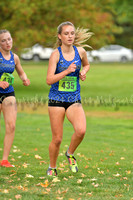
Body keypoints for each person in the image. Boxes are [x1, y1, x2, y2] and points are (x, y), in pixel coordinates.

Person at [46, 21, 93, 176]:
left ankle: (70, 153)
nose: (70, 36)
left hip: (74, 98)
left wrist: (83, 72)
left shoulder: (80, 52)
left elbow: (86, 65)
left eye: (72, 33)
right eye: (66, 33)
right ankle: (52, 167)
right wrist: (66, 71)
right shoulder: (55, 54)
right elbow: (49, 80)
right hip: (56, 99)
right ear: (60, 36)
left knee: (81, 131)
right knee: (57, 139)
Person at [0, 29, 30, 167]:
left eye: (9, 39)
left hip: (8, 93)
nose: (7, 42)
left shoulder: (15, 57)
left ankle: (4, 160)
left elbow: (21, 72)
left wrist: (25, 79)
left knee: (11, 126)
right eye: (3, 40)